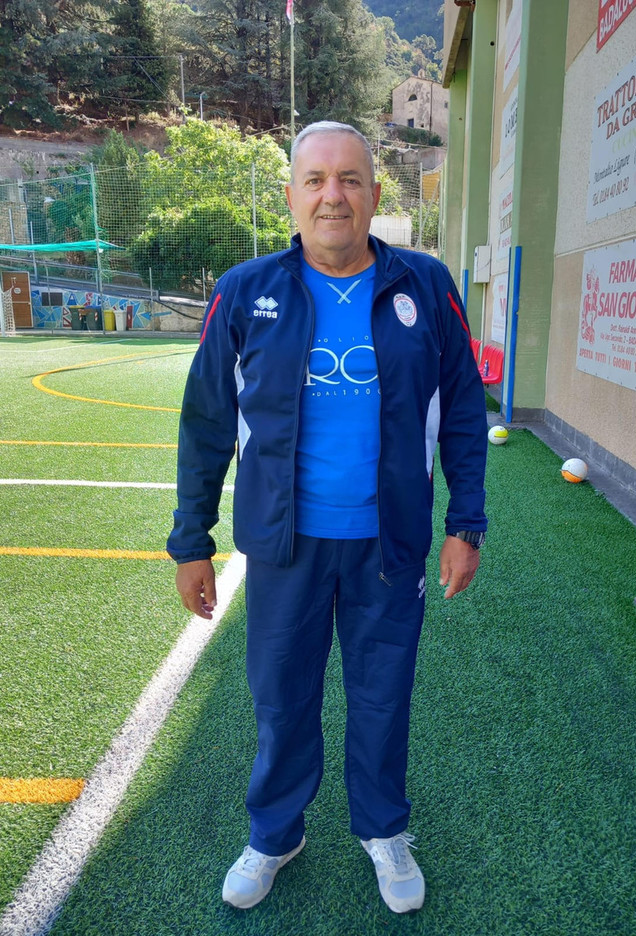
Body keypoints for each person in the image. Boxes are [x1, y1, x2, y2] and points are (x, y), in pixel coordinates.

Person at [167, 121, 488, 915]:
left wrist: (465, 522)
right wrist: (191, 541)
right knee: (282, 697)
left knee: (383, 695)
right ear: (292, 196)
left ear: (376, 193)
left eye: (349, 179)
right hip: (284, 545)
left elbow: (463, 412)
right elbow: (206, 421)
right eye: (315, 180)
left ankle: (384, 830)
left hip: (390, 544)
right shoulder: (245, 291)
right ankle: (275, 833)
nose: (333, 195)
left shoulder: (425, 285)